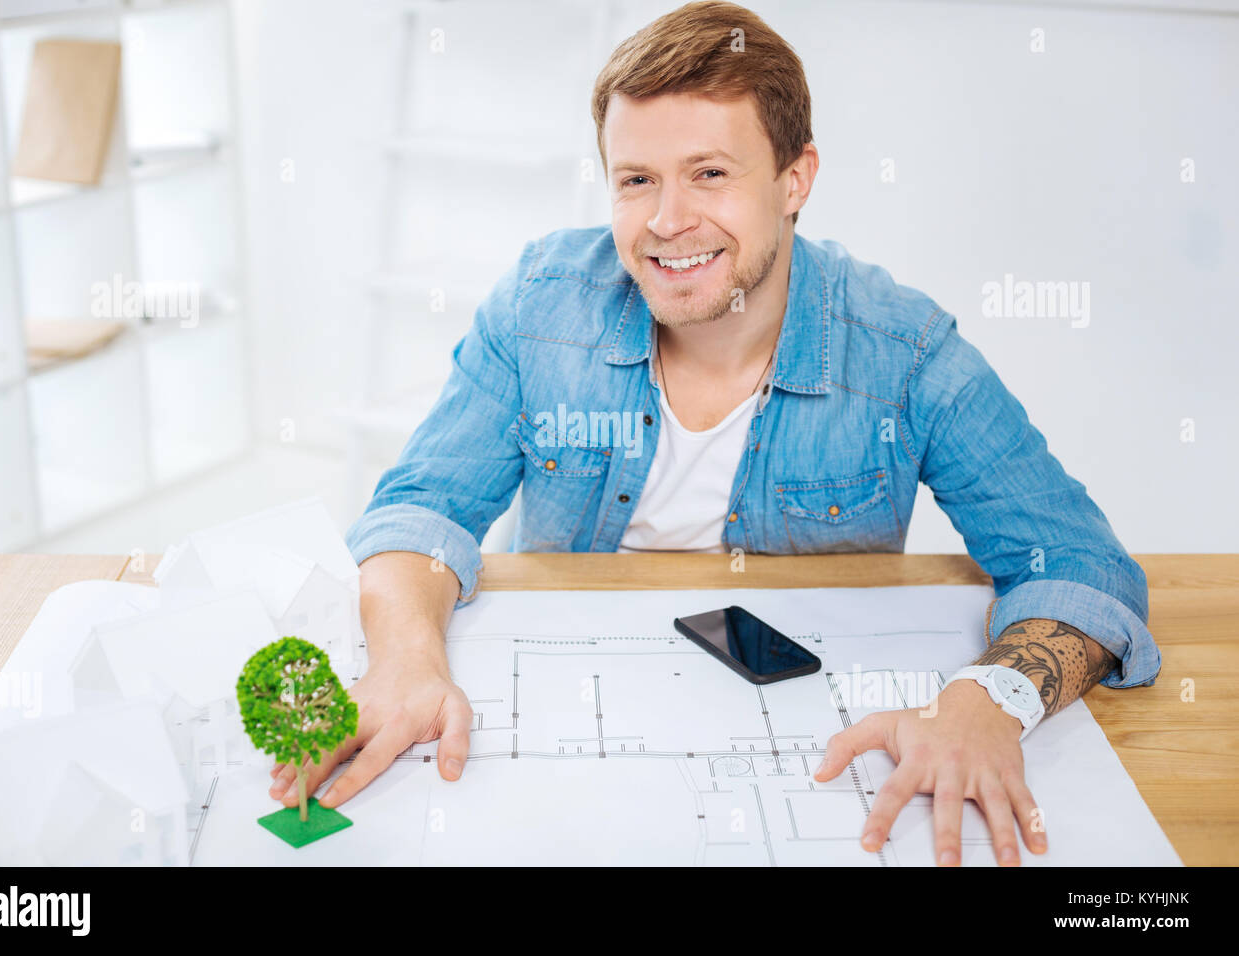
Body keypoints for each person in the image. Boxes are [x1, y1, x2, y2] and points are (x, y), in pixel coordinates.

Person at [269, 0, 1160, 866]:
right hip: (568, 733)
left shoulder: (904, 351)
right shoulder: (542, 303)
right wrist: (407, 662)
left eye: (710, 174)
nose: (666, 223)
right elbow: (421, 510)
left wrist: (987, 702)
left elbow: (1078, 564)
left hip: (796, 747)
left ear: (795, 178)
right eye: (636, 180)